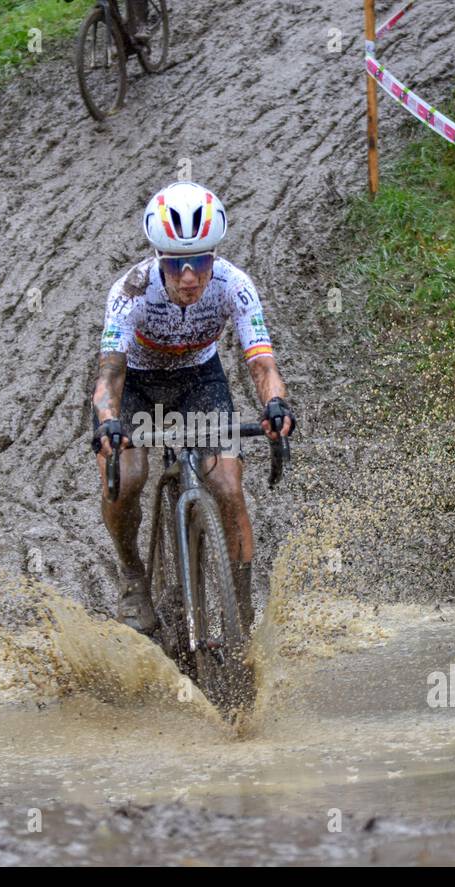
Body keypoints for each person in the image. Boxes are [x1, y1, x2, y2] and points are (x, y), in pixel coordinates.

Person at [90, 181, 296, 637]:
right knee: (126, 477)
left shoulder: (234, 286)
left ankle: (240, 611)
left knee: (226, 482)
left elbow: (262, 363)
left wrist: (276, 404)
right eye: (177, 263)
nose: (189, 276)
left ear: (213, 257)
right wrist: (109, 422)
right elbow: (109, 376)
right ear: (159, 259)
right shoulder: (131, 291)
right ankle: (132, 576)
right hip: (138, 385)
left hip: (198, 381)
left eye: (200, 261)